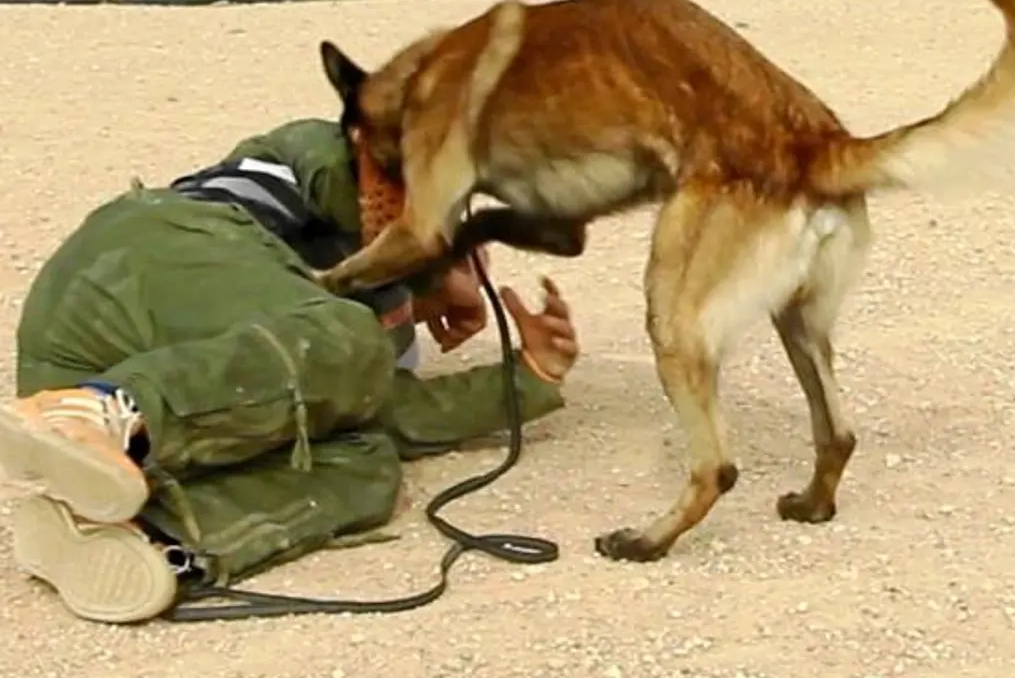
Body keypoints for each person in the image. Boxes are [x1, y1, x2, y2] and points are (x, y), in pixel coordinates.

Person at [0, 116, 582, 624]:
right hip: (148, 260)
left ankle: (152, 537)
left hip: (184, 365)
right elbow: (330, 157)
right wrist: (432, 260)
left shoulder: (356, 333)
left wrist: (530, 375)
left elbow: (390, 412)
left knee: (364, 461)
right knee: (349, 339)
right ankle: (98, 411)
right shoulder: (324, 167)